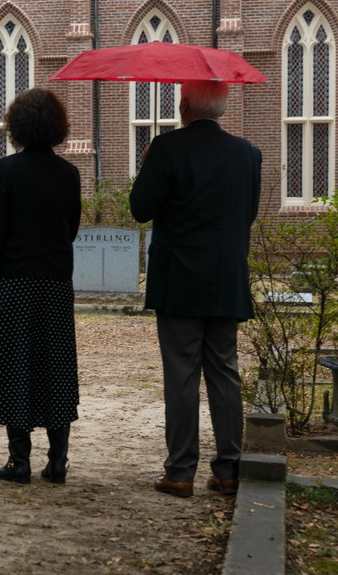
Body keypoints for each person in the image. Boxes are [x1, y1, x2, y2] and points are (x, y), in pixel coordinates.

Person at [130, 79, 262, 499]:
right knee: (225, 372)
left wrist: (149, 160)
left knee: (183, 375)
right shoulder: (249, 155)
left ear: (184, 105)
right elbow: (248, 214)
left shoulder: (166, 149)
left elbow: (140, 209)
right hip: (226, 279)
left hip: (179, 280)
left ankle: (180, 471)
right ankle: (228, 470)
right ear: (221, 106)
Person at [0, 88, 81, 485]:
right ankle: (57, 462)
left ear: (16, 126)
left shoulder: (4, 171)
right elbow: (70, 228)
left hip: (15, 282)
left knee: (15, 363)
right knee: (55, 365)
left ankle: (19, 461)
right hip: (54, 282)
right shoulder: (69, 173)